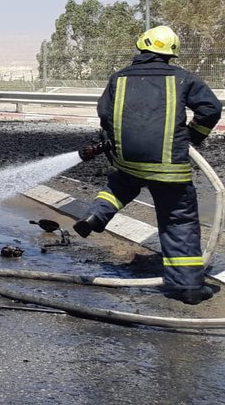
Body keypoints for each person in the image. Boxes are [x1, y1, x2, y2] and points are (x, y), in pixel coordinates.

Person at [74, 25, 221, 305]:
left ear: (141, 47)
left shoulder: (118, 79)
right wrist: (193, 137)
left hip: (129, 159)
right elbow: (211, 108)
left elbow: (104, 113)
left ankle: (97, 215)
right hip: (168, 165)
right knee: (179, 220)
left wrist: (118, 140)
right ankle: (187, 287)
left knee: (119, 185)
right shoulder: (181, 78)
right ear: (170, 54)